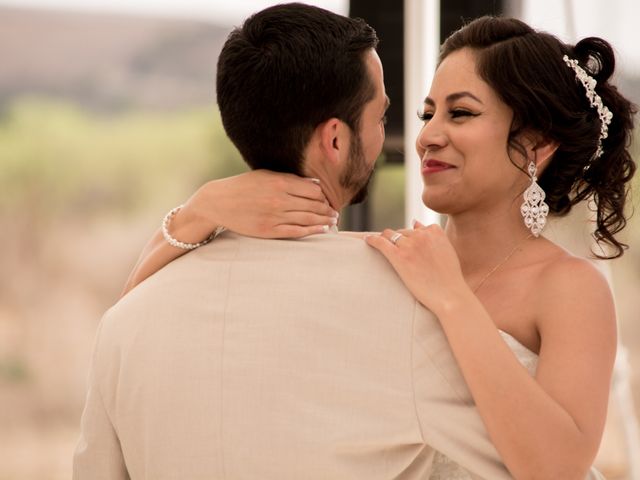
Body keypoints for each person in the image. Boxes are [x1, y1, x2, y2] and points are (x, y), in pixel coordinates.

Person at [120, 13, 637, 480]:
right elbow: (131, 322)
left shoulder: (569, 287)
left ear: (537, 146)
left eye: (460, 114)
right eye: (426, 114)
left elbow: (559, 468)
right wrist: (201, 209)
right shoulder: (382, 259)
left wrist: (452, 300)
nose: (427, 137)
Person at [73, 4, 518, 479]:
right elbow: (524, 460)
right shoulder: (411, 302)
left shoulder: (126, 321)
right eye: (380, 116)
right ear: (334, 140)